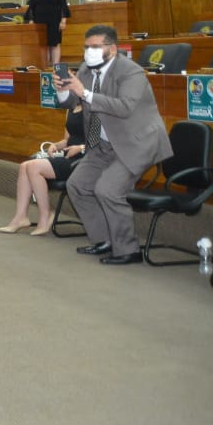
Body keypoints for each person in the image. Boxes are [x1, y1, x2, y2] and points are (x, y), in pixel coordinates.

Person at [54, 25, 172, 265]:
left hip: (136, 143)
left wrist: (84, 92)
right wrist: (62, 91)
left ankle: (128, 249)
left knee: (107, 189)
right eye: (87, 47)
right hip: (102, 142)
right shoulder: (87, 69)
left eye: (95, 47)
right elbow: (72, 101)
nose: (89, 52)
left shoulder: (131, 72)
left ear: (113, 48)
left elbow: (124, 107)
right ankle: (103, 240)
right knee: (77, 185)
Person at [0, 107, 86, 235]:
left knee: (33, 167)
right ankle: (21, 217)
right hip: (68, 156)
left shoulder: (93, 106)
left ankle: (46, 215)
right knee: (24, 166)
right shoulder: (71, 108)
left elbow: (101, 141)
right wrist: (55, 145)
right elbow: (67, 140)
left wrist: (81, 148)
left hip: (84, 160)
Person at [24, 0, 69, 66]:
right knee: (44, 45)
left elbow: (63, 6)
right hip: (39, 22)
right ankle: (45, 66)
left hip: (54, 21)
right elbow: (31, 7)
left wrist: (63, 21)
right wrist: (31, 20)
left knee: (54, 44)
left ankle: (55, 67)